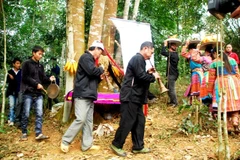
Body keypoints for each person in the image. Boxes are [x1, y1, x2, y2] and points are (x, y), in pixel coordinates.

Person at [110, 41, 160, 157]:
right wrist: (153, 77)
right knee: (127, 121)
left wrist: (148, 73)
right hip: (130, 96)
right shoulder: (138, 58)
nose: (151, 54)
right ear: (145, 48)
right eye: (151, 52)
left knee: (139, 121)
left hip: (136, 97)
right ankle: (116, 144)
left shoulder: (141, 61)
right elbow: (140, 76)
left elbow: (139, 76)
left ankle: (138, 146)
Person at [60, 40, 105, 153]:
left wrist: (99, 78)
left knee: (88, 121)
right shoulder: (85, 57)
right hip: (82, 95)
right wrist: (101, 69)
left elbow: (91, 77)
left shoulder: (91, 61)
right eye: (100, 51)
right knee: (80, 119)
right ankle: (65, 141)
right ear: (96, 49)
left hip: (89, 95)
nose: (100, 54)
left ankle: (86, 145)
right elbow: (91, 71)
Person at [20, 45, 55, 141]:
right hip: (28, 92)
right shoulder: (26, 64)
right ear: (33, 53)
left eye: (41, 54)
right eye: (39, 54)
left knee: (39, 113)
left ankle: (38, 133)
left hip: (38, 93)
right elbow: (25, 77)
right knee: (26, 113)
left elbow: (43, 78)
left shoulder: (40, 66)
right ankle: (24, 132)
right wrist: (36, 84)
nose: (41, 56)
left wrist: (49, 79)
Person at [208, 48, 240, 132]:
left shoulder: (214, 62)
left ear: (215, 53)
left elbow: (211, 78)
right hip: (234, 82)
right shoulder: (232, 60)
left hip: (222, 83)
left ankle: (229, 126)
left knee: (225, 106)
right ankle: (235, 121)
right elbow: (237, 73)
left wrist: (210, 90)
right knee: (235, 105)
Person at [181, 40, 203, 105]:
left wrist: (186, 45)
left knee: (196, 87)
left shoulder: (193, 53)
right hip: (197, 72)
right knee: (198, 87)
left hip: (197, 72)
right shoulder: (194, 52)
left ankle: (196, 102)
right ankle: (197, 102)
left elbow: (183, 53)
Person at [161, 40, 180, 107]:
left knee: (171, 89)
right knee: (167, 87)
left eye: (175, 45)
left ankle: (175, 103)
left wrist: (164, 45)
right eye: (174, 45)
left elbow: (163, 52)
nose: (175, 46)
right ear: (171, 46)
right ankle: (172, 101)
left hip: (172, 74)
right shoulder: (171, 54)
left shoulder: (173, 54)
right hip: (171, 74)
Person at [6, 58, 22, 126]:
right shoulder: (10, 72)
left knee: (16, 106)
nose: (19, 65)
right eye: (17, 63)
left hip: (18, 92)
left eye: (19, 63)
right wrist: (10, 78)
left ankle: (11, 118)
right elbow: (7, 82)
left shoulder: (21, 71)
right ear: (14, 64)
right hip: (11, 92)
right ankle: (11, 120)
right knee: (12, 106)